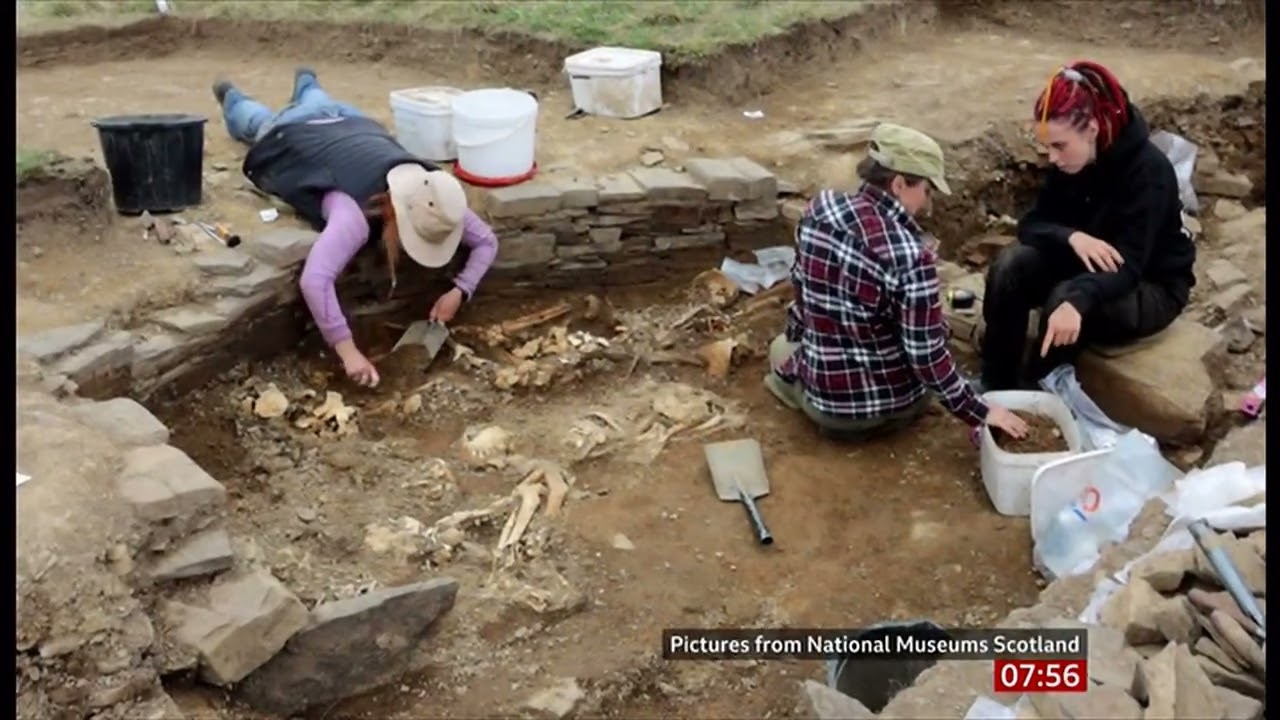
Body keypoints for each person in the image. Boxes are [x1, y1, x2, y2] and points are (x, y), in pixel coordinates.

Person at [212, 67, 499, 388]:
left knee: (316, 100)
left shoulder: (433, 195)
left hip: (349, 120)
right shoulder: (352, 214)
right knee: (251, 121)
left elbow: (486, 241)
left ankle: (307, 83)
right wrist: (348, 352)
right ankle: (232, 96)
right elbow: (315, 280)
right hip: (291, 132)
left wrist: (460, 290)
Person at [765, 122, 1029, 441]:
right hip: (872, 412)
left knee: (782, 348)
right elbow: (928, 359)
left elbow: (803, 291)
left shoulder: (820, 209)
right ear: (900, 183)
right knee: (927, 366)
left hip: (824, 398)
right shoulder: (910, 257)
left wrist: (803, 353)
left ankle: (799, 392)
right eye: (926, 190)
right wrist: (982, 411)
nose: (927, 205)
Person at [978, 61, 1196, 391]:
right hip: (1089, 264)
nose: (1052, 157)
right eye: (1047, 147)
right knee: (1010, 266)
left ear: (1092, 129)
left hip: (1149, 285)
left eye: (1059, 145)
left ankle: (1038, 391)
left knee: (1062, 300)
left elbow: (1130, 266)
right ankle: (996, 386)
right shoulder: (1072, 161)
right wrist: (1073, 238)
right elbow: (1033, 225)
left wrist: (1078, 298)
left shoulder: (1149, 174)